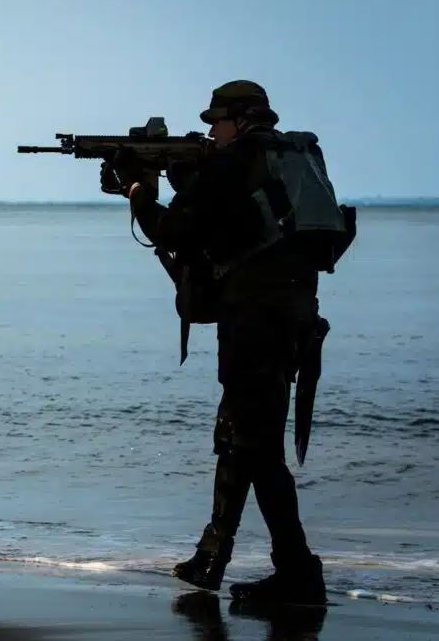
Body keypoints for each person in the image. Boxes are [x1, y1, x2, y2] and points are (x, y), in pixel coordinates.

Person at [101, 80, 347, 605]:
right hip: (294, 319)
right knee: (241, 439)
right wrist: (184, 176)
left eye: (217, 121)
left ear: (239, 119)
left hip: (255, 325)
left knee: (255, 447)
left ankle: (297, 572)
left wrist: (139, 190)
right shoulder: (288, 160)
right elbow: (232, 225)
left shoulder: (233, 164)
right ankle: (214, 559)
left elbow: (173, 231)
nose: (212, 131)